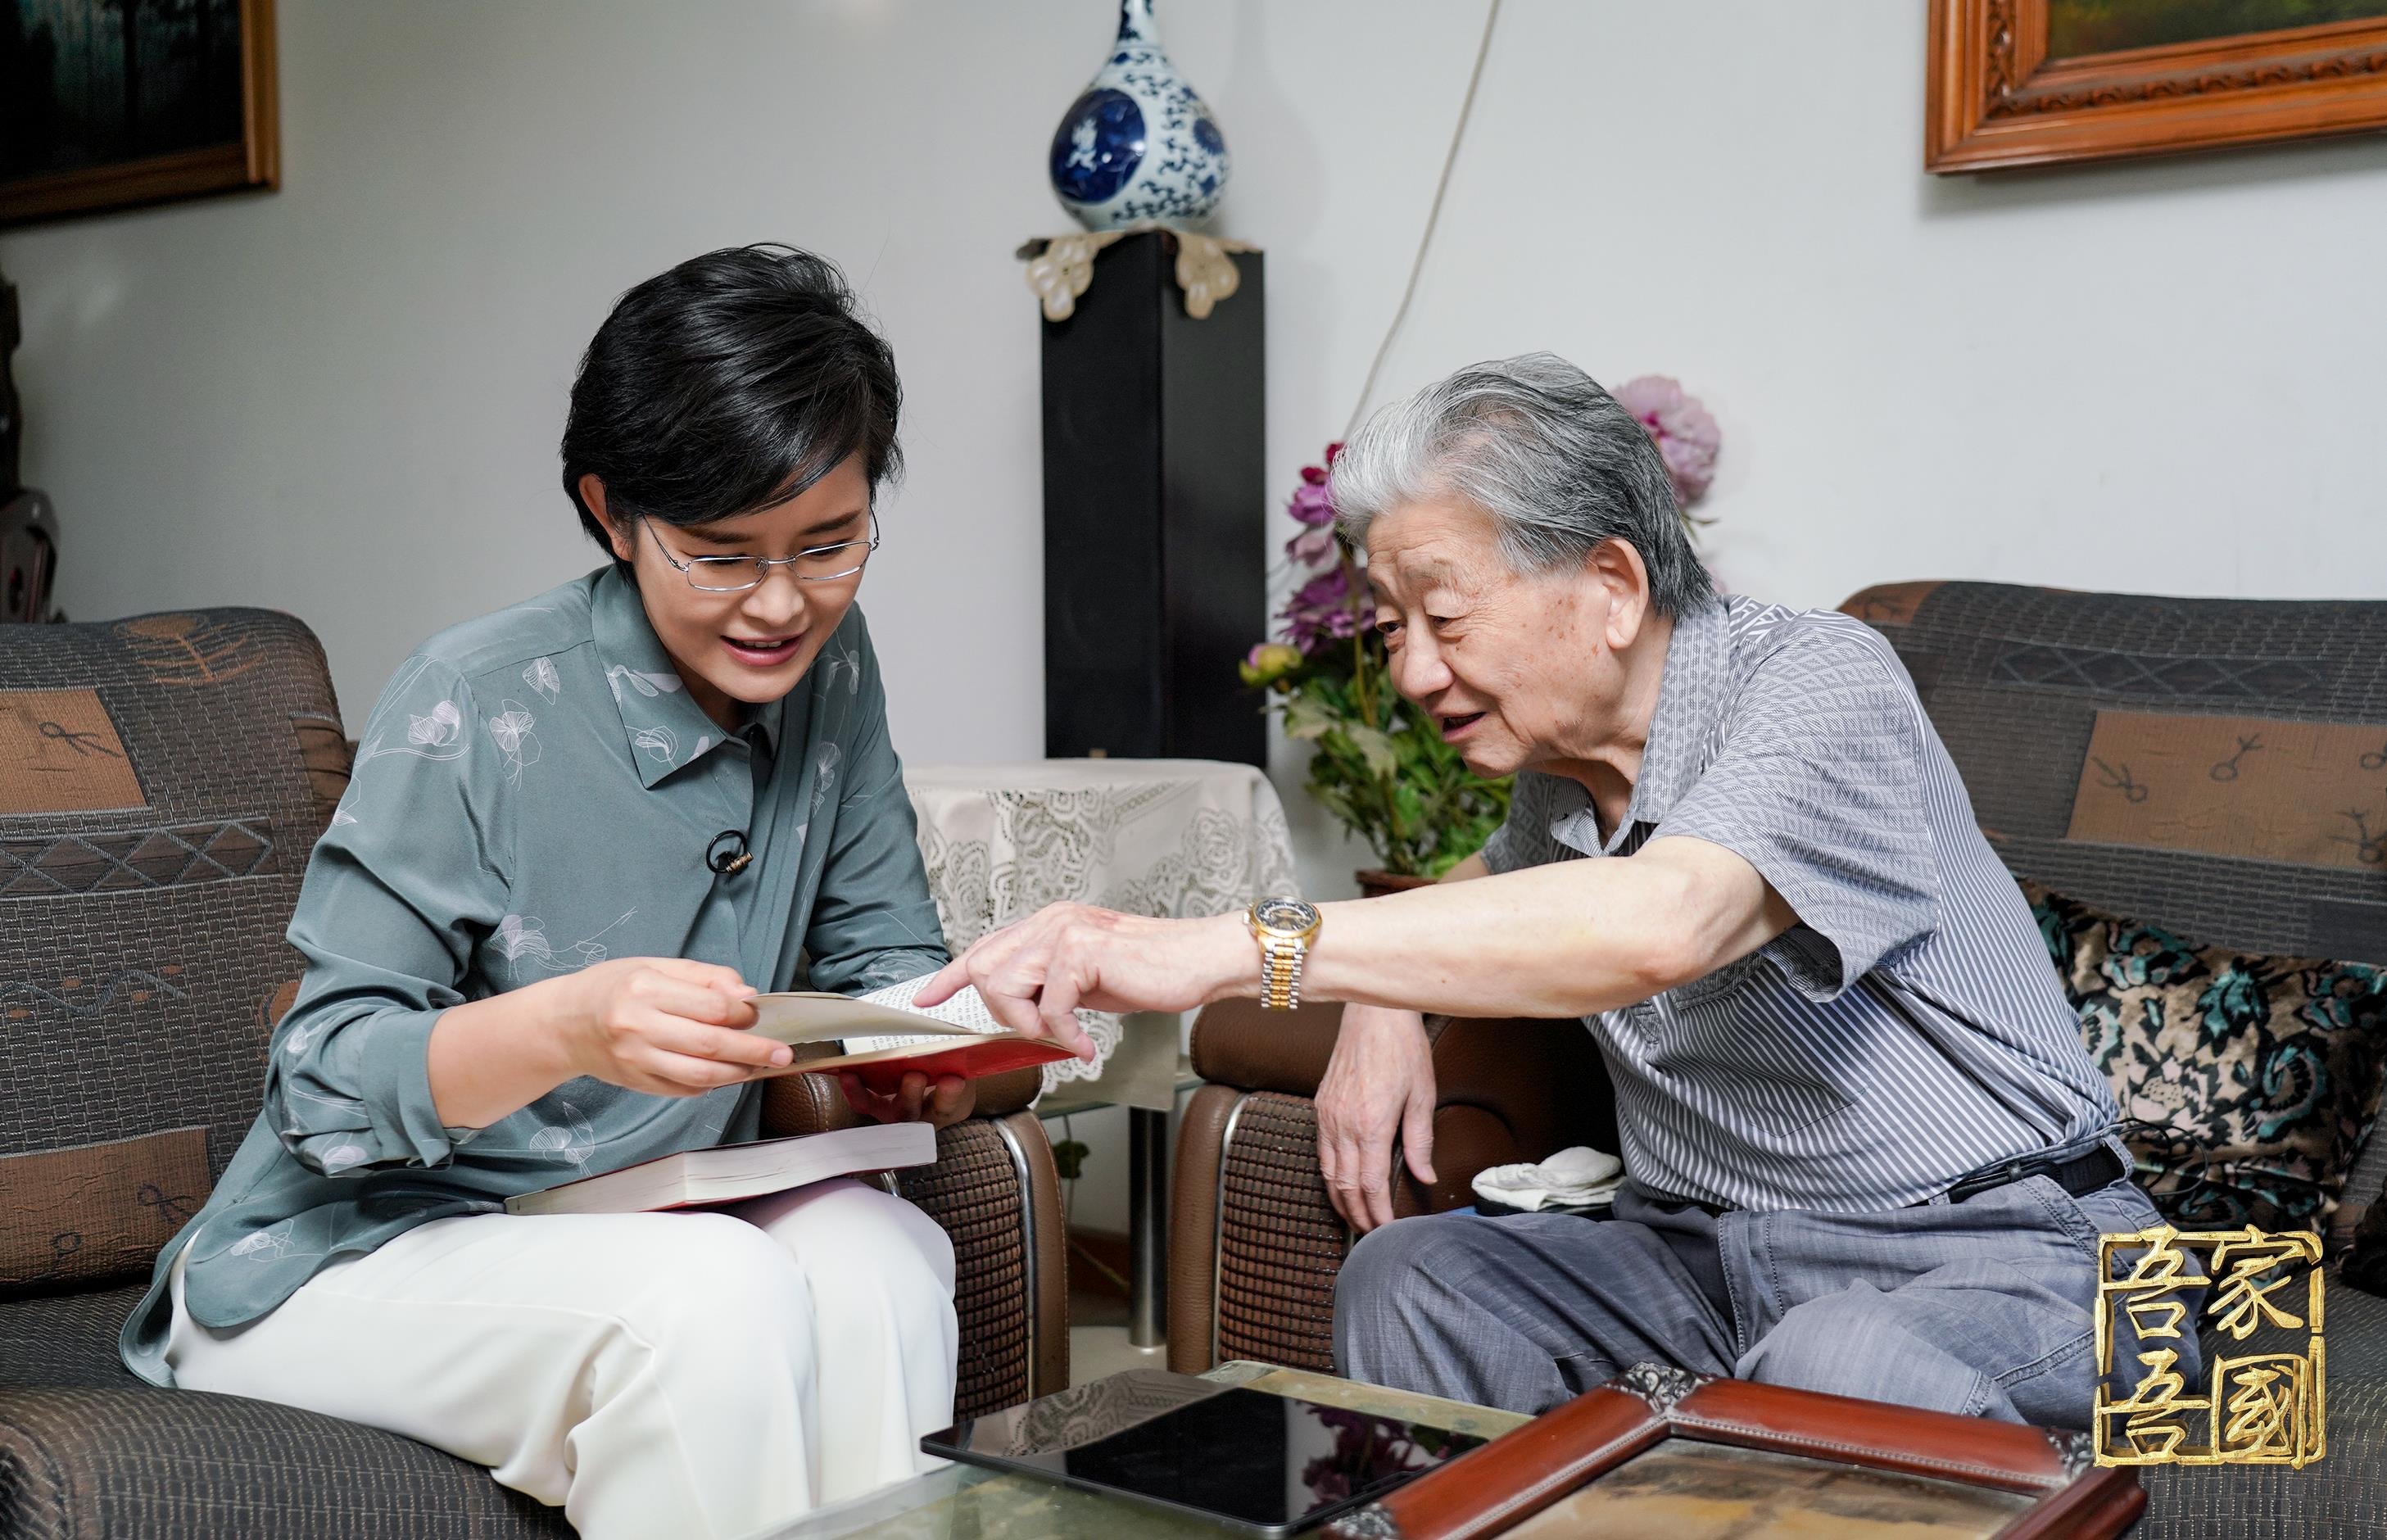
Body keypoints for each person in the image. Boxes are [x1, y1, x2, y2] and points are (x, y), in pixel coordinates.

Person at [915, 352, 2176, 1429]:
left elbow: (1656, 928)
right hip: (1705, 1250)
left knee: (1826, 1364)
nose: (1409, 671)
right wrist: (1379, 1005)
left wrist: (1231, 947)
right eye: (1391, 623)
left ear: (1612, 589)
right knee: (1416, 1277)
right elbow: (1487, 889)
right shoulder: (1560, 785)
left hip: (2023, 1253)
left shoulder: (1821, 685)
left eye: (1441, 618)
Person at [118, 246, 1035, 1539]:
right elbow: (324, 1078)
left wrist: (924, 1050)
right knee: (712, 1303)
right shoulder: (472, 698)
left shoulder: (832, 667)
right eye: (719, 556)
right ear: (612, 514)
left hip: (626, 1211)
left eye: (829, 545)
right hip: (353, 1251)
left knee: (884, 1260)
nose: (782, 604)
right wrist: (570, 1027)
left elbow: (886, 955)